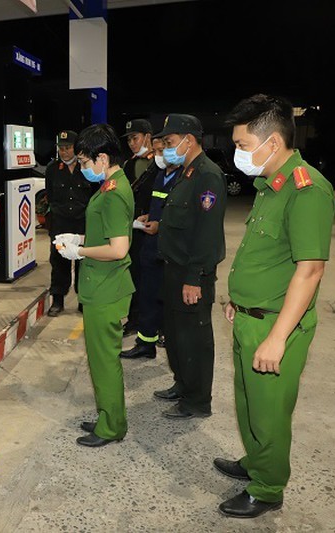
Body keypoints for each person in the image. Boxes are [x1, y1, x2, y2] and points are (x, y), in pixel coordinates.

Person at [216, 94, 334, 518]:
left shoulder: (306, 189)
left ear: (273, 142)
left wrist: (278, 338)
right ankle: (255, 462)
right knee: (249, 402)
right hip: (250, 317)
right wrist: (239, 299)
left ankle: (267, 488)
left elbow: (310, 270)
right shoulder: (271, 185)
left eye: (243, 145)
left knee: (269, 412)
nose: (238, 154)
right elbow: (264, 257)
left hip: (275, 326)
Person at [53, 123, 134, 448]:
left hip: (106, 288)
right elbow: (108, 235)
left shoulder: (113, 193)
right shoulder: (110, 184)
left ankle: (112, 426)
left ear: (102, 158)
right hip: (102, 285)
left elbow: (118, 248)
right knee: (101, 361)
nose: (83, 168)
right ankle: (108, 416)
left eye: (85, 163)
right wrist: (81, 238)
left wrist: (80, 251)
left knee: (104, 362)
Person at [152, 114, 226, 419]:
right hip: (173, 270)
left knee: (193, 339)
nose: (166, 148)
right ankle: (182, 384)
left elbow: (207, 233)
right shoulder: (186, 173)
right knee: (175, 333)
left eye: (169, 143)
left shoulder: (208, 175)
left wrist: (194, 277)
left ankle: (197, 401)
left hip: (190, 273)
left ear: (189, 140)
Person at [120, 136, 183, 360]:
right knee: (147, 295)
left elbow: (184, 217)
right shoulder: (160, 175)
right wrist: (149, 216)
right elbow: (157, 206)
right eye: (157, 151)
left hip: (168, 250)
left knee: (166, 298)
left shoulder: (184, 177)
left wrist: (161, 225)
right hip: (150, 248)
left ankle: (166, 336)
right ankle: (145, 343)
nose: (160, 156)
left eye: (162, 150)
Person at [45, 130, 94, 316]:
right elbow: (50, 195)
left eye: (68, 148)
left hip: (83, 222)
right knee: (58, 262)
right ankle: (58, 300)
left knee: (84, 261)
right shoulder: (52, 169)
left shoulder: (86, 167)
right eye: (61, 148)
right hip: (60, 222)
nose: (64, 152)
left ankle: (83, 300)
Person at [121, 119, 157, 336]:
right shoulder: (129, 165)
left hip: (154, 228)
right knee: (133, 276)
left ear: (148, 137)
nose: (132, 143)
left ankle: (156, 325)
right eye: (129, 140)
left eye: (135, 138)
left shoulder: (160, 164)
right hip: (133, 228)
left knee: (153, 279)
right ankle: (134, 320)